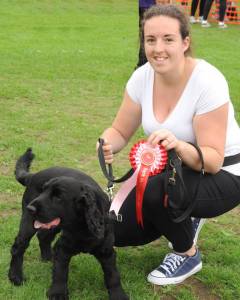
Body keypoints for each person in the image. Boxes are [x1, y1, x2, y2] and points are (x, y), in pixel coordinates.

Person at [98, 4, 240, 286]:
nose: (157, 48)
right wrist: (106, 144)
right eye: (150, 40)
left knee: (156, 191)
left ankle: (187, 253)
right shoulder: (142, 77)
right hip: (177, 174)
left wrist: (177, 145)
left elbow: (211, 160)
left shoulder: (207, 80)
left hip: (225, 172)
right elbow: (119, 130)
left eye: (168, 39)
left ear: (185, 42)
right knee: (116, 231)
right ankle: (186, 215)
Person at [136, 0, 156, 68]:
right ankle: (142, 64)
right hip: (148, 6)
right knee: (147, 36)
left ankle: (142, 64)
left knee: (145, 35)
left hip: (145, 6)